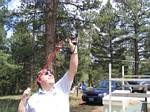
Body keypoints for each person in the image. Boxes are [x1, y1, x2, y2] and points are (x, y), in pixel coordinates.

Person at [18, 39, 78, 112]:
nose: (50, 74)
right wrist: (23, 100)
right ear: (39, 80)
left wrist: (74, 49)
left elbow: (73, 70)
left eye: (51, 73)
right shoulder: (33, 99)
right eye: (46, 73)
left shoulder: (61, 87)